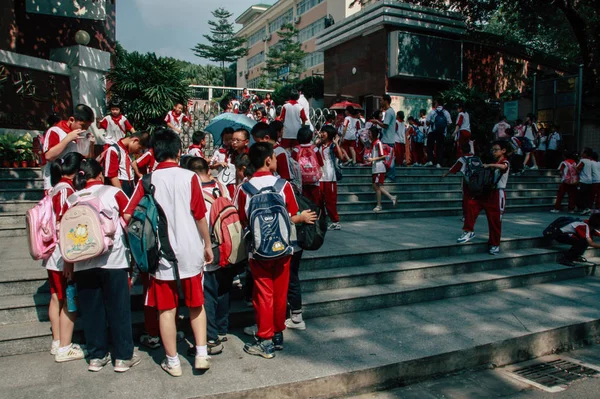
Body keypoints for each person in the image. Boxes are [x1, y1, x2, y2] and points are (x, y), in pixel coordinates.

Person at [124, 128, 214, 377]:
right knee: (197, 304)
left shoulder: (148, 180)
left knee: (166, 309)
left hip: (160, 255)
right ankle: (201, 354)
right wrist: (207, 245)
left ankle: (172, 361)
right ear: (178, 151)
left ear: (153, 152)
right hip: (190, 250)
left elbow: (129, 215)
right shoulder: (190, 177)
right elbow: (199, 215)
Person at [235, 142, 316, 358]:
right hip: (284, 249)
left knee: (263, 293)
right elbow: (292, 214)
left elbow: (242, 219)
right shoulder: (283, 185)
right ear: (269, 160)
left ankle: (265, 339)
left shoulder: (244, 188)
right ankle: (278, 334)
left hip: (258, 250)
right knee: (281, 294)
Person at [64, 158, 139, 373]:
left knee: (91, 310)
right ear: (99, 176)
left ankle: (97, 356)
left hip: (81, 261)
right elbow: (128, 219)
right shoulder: (112, 192)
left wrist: (68, 263)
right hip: (113, 259)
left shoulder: (72, 198)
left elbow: (65, 232)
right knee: (118, 308)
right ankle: (123, 357)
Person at [186, 157, 234, 356]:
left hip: (207, 248)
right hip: (227, 246)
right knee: (223, 290)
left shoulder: (194, 191)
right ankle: (222, 329)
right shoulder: (222, 187)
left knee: (208, 294)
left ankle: (211, 338)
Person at [44, 152, 84, 362]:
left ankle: (57, 341)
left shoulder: (54, 189)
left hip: (52, 253)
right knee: (69, 300)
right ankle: (65, 347)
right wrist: (69, 259)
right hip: (62, 254)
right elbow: (65, 226)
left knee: (55, 297)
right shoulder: (67, 192)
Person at [457, 141, 510, 255]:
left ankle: (495, 244)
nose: (494, 152)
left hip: (497, 194)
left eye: (496, 149)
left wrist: (489, 165)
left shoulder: (504, 162)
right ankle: (468, 230)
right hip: (485, 191)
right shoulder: (493, 160)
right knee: (471, 205)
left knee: (495, 220)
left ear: (503, 151)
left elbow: (503, 167)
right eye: (493, 150)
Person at [42, 104, 95, 191]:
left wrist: (91, 145)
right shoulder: (55, 131)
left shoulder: (82, 135)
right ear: (71, 120)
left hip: (74, 180)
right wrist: (68, 138)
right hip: (55, 180)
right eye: (82, 126)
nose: (85, 129)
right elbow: (48, 156)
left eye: (87, 127)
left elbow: (86, 159)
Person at [104, 132, 149, 197]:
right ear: (135, 140)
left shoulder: (129, 152)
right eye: (139, 148)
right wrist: (122, 196)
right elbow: (112, 177)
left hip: (129, 185)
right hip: (119, 186)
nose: (139, 151)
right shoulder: (113, 150)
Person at [366, 126, 397, 212]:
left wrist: (372, 159)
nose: (368, 135)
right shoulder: (374, 143)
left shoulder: (378, 143)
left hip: (379, 168)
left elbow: (383, 156)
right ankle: (392, 197)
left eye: (370, 133)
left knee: (377, 186)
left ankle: (379, 205)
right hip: (375, 167)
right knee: (375, 186)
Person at [319, 125, 344, 230]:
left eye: (324, 132)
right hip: (320, 176)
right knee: (319, 200)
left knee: (330, 200)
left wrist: (336, 143)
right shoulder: (319, 145)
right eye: (321, 132)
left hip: (330, 176)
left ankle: (335, 221)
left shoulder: (332, 146)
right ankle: (322, 220)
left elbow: (341, 157)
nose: (322, 134)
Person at [292, 127, 324, 206]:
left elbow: (292, 164)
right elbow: (321, 162)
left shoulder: (296, 149)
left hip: (301, 181)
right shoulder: (315, 148)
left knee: (304, 202)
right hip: (314, 180)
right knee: (315, 201)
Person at [442, 143, 474, 221]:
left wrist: (445, 174)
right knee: (472, 198)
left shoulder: (462, 159)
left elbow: (454, 168)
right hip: (475, 180)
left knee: (466, 198)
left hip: (466, 180)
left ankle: (465, 216)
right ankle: (472, 214)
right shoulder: (474, 157)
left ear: (461, 150)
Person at [370, 95, 396, 180]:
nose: (380, 102)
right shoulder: (390, 111)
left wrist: (376, 121)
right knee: (387, 158)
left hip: (388, 139)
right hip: (388, 138)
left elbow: (385, 125)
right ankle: (388, 175)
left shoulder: (389, 112)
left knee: (389, 159)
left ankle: (390, 176)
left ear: (386, 101)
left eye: (381, 100)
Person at [425, 99, 452, 168]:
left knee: (430, 146)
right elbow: (449, 123)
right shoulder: (446, 112)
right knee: (440, 147)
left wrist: (433, 123)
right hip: (442, 133)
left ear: (437, 103)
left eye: (435, 103)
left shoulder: (432, 112)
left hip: (432, 132)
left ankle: (430, 161)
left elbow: (427, 123)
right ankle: (438, 163)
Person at [577, 147, 594, 215]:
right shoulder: (591, 161)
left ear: (585, 154)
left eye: (582, 152)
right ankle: (588, 208)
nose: (581, 153)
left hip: (583, 180)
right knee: (588, 195)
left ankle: (584, 208)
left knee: (581, 195)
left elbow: (578, 169)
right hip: (590, 181)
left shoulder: (583, 161)